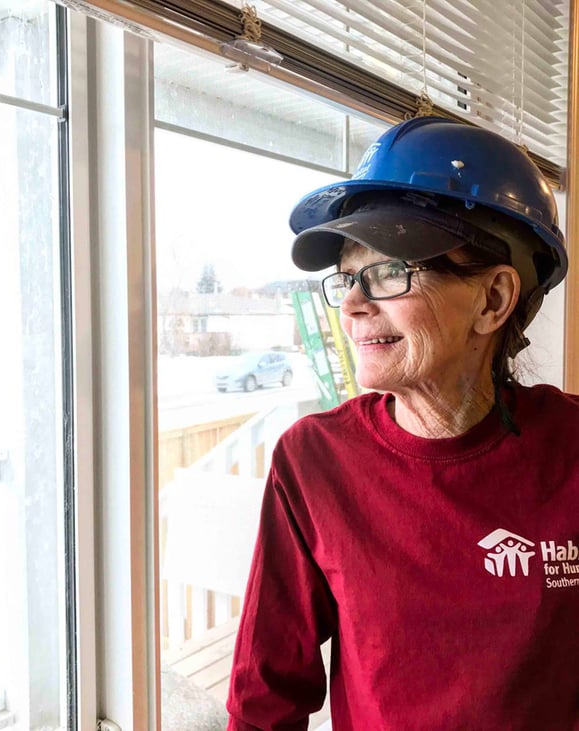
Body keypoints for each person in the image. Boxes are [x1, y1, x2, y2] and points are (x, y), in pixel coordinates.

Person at [225, 116, 579, 730]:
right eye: (348, 278)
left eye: (391, 272)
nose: (355, 305)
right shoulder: (313, 461)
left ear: (493, 299)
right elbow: (265, 701)